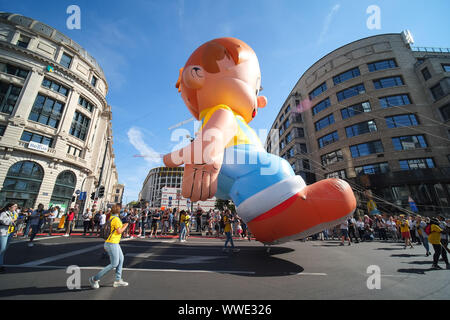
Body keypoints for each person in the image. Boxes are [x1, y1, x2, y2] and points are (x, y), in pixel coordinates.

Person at [89, 204, 129, 288]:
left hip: (113, 242)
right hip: (112, 243)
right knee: (114, 264)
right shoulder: (117, 219)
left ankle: (118, 280)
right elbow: (119, 231)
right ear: (118, 211)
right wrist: (126, 225)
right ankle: (94, 279)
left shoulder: (111, 218)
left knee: (121, 259)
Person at [0, 203, 18, 272]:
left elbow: (15, 222)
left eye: (16, 206)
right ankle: (1, 265)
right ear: (9, 207)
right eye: (14, 206)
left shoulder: (15, 213)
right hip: (3, 232)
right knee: (2, 249)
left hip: (10, 232)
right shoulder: (4, 213)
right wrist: (12, 221)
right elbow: (4, 221)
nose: (15, 208)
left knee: (4, 249)